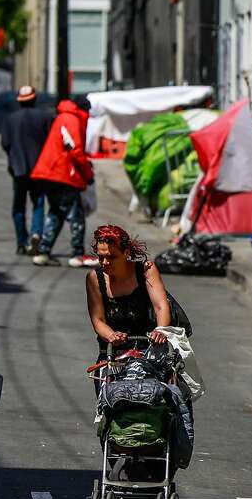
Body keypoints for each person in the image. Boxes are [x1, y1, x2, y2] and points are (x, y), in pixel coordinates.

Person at [85, 224, 171, 357]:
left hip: (147, 350)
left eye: (111, 257)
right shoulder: (94, 278)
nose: (104, 262)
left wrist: (160, 331)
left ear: (126, 253)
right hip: (112, 354)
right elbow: (98, 319)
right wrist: (111, 335)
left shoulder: (146, 271)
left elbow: (161, 306)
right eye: (100, 256)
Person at [32, 96, 96, 268]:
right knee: (76, 216)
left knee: (56, 213)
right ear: (85, 110)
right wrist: (88, 174)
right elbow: (75, 150)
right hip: (62, 174)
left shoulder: (63, 117)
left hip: (50, 173)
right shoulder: (72, 119)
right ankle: (77, 254)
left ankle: (43, 252)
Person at [0, 85, 52, 255]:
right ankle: (36, 233)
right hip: (39, 169)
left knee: (19, 207)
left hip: (18, 168)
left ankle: (22, 242)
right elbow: (51, 142)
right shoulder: (45, 117)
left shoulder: (10, 119)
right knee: (38, 203)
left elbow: (5, 144)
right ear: (35, 99)